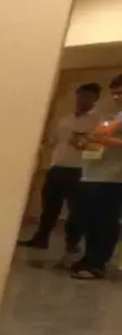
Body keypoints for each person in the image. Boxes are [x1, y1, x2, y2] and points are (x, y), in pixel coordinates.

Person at [19, 82, 103, 253]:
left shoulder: (97, 122)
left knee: (77, 210)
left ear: (95, 99)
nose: (83, 100)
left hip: (80, 170)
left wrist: (83, 143)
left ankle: (72, 243)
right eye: (81, 96)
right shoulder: (65, 119)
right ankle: (41, 238)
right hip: (57, 167)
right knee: (49, 206)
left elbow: (98, 149)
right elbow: (53, 141)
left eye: (89, 97)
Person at [71, 74, 122, 280]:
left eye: (121, 93)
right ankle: (88, 258)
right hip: (93, 173)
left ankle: (97, 264)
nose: (117, 97)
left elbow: (110, 140)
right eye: (114, 93)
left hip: (114, 177)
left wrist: (106, 140)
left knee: (105, 222)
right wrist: (87, 140)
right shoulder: (114, 115)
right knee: (89, 220)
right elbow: (99, 139)